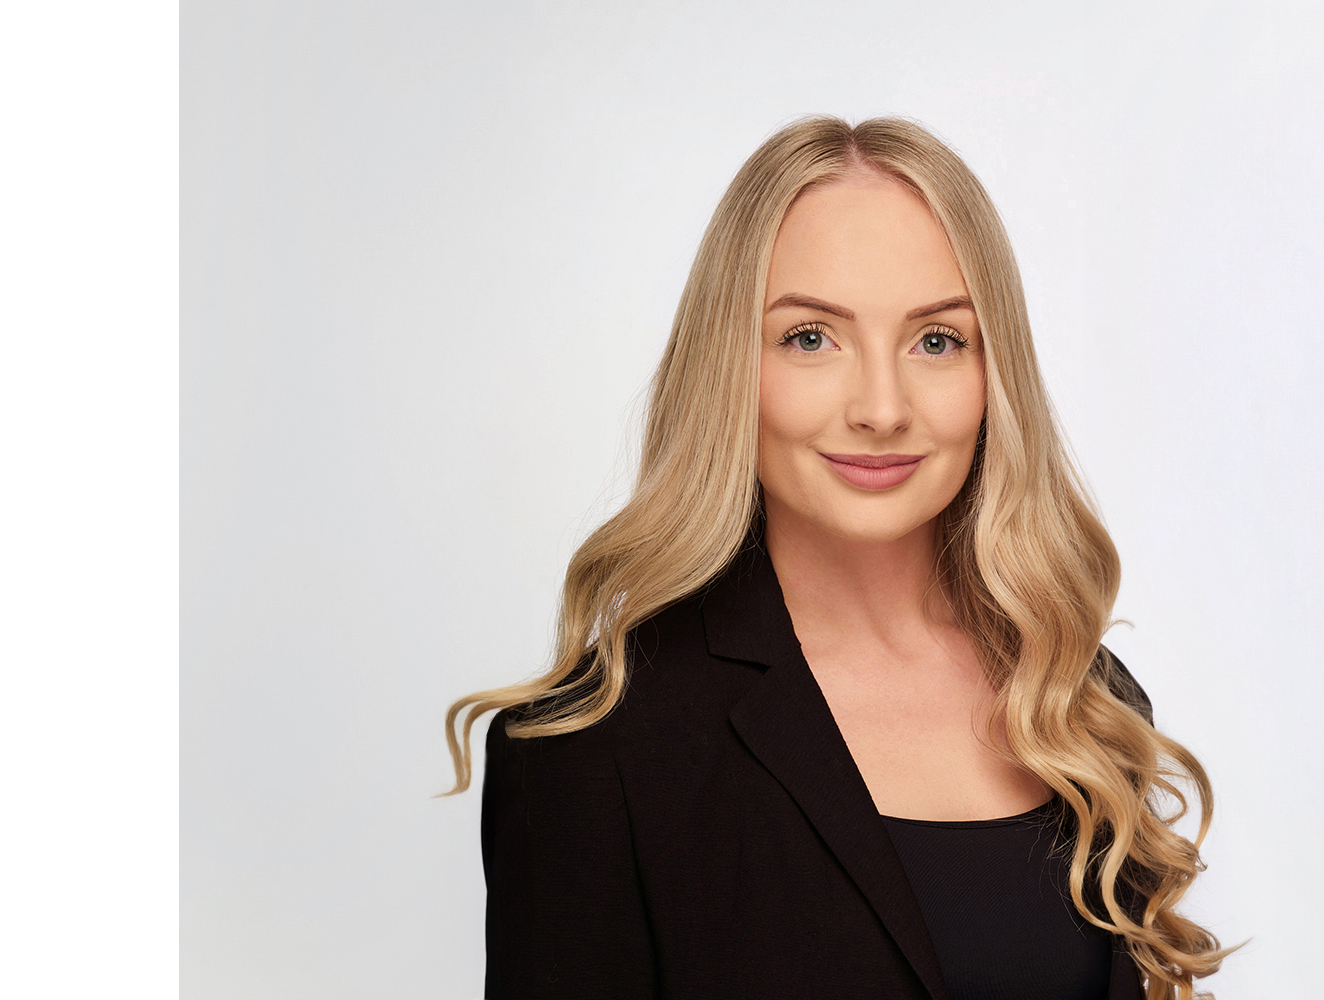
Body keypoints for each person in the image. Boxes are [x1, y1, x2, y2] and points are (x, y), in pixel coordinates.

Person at [444, 116, 1231, 1000]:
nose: (882, 407)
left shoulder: (1082, 700)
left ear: (992, 373)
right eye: (811, 337)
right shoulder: (597, 750)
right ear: (731, 366)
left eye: (937, 340)